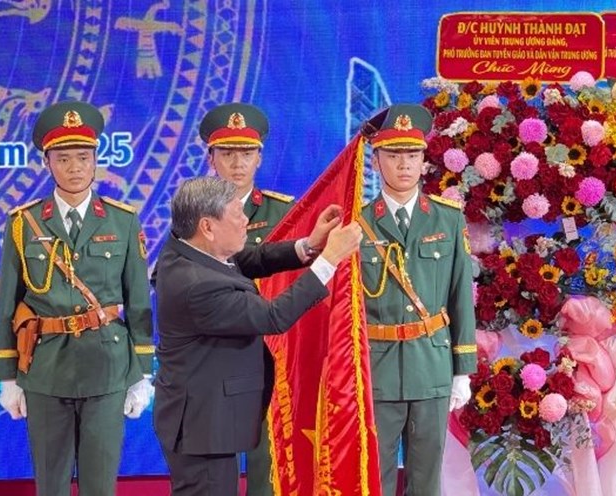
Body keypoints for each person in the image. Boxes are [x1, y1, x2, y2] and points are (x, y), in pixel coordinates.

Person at [152, 176, 362, 496]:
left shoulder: (185, 247)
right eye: (237, 215)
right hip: (203, 426)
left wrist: (309, 245)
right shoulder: (198, 285)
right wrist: (330, 259)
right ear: (207, 226)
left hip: (202, 416)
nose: (245, 222)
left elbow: (248, 259)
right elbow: (273, 317)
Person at [0, 101, 155, 496]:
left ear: (97, 159)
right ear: (47, 162)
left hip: (108, 368)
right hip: (46, 369)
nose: (75, 167)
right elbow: (7, 303)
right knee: (51, 484)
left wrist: (143, 374)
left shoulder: (122, 219)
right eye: (63, 158)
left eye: (84, 157)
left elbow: (138, 302)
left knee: (101, 484)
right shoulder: (23, 222)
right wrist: (8, 377)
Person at [358, 104, 476, 496]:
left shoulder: (447, 218)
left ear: (425, 160)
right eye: (393, 155)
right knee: (377, 477)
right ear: (376, 161)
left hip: (432, 363)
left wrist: (463, 370)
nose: (403, 164)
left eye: (412, 154)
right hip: (378, 367)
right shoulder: (357, 223)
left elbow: (461, 294)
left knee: (427, 480)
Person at [199, 102, 294, 495]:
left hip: (267, 354)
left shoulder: (285, 212)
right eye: (228, 153)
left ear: (260, 157)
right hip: (211, 354)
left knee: (266, 467)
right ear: (211, 157)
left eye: (246, 153)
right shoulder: (190, 214)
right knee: (210, 465)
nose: (238, 163)